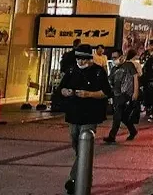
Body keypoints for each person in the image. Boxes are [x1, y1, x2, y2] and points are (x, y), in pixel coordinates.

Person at [58, 44, 110, 194]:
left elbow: (106, 92)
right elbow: (61, 88)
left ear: (89, 59)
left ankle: (75, 179)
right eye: (78, 59)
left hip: (90, 114)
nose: (80, 62)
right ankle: (85, 172)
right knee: (76, 143)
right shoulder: (72, 70)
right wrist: (66, 92)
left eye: (83, 59)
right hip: (73, 113)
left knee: (84, 144)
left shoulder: (98, 72)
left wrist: (89, 94)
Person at [104, 48, 139, 143]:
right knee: (123, 116)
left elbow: (135, 77)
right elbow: (110, 80)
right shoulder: (114, 68)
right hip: (116, 94)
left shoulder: (128, 65)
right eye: (112, 58)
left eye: (115, 57)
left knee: (117, 114)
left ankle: (112, 136)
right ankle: (133, 131)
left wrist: (135, 92)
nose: (114, 59)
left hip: (126, 93)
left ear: (121, 57)